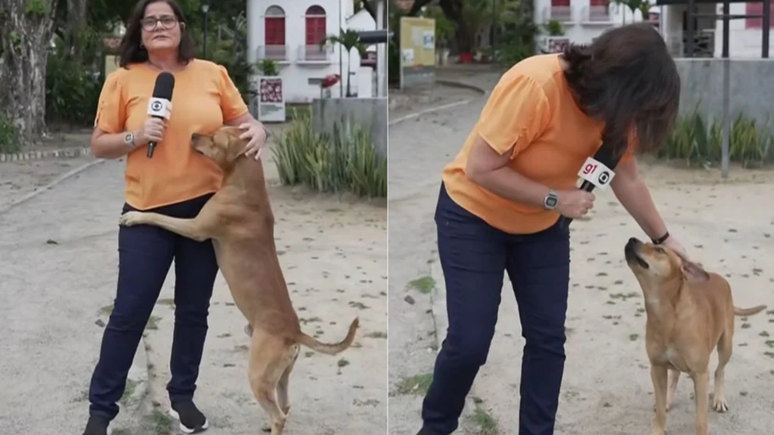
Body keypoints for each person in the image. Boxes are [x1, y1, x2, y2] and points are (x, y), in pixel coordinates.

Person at [418, 23, 689, 435]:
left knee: (547, 342)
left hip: (541, 232)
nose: (639, 120)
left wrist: (665, 240)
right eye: (641, 106)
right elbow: (481, 168)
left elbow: (627, 178)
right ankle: (436, 427)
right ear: (619, 85)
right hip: (472, 217)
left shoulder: (615, 118)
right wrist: (555, 199)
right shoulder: (537, 84)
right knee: (470, 342)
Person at [82, 1, 268, 434]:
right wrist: (135, 135)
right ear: (139, 32)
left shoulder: (212, 74)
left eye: (167, 19)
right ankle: (101, 410)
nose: (159, 26)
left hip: (206, 211)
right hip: (145, 213)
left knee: (193, 311)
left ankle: (183, 396)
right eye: (150, 21)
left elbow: (247, 125)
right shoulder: (123, 80)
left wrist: (260, 130)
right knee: (130, 312)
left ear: (182, 27)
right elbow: (99, 144)